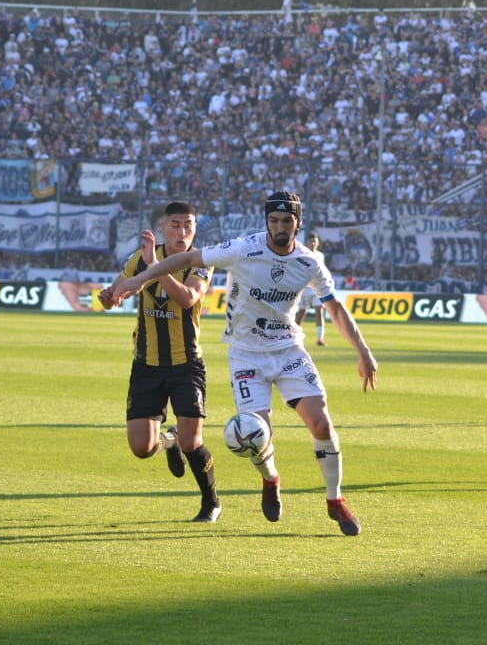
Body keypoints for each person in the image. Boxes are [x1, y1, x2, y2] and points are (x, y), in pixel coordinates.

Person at [110, 191, 378, 536]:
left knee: (321, 423)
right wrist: (138, 278)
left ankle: (335, 500)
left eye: (287, 221)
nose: (280, 227)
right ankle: (271, 479)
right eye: (274, 220)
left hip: (289, 350)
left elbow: (335, 308)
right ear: (267, 222)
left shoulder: (309, 262)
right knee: (256, 433)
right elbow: (188, 258)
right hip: (246, 354)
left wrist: (363, 351)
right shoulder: (243, 249)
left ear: (297, 223)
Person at [98, 202, 221, 522]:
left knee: (193, 440)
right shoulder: (138, 258)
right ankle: (170, 441)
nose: (183, 231)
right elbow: (117, 293)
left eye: (189, 225)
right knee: (141, 447)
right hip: (147, 364)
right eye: (176, 225)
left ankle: (211, 503)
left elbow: (187, 298)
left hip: (186, 364)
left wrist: (155, 266)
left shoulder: (201, 261)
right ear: (163, 227)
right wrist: (109, 297)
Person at [294, 231, 327, 346]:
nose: (313, 243)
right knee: (301, 313)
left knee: (319, 311)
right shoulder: (302, 254)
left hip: (317, 289)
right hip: (305, 289)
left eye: (315, 242)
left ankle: (320, 339)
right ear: (307, 243)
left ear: (318, 243)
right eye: (311, 241)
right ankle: (293, 336)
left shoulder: (321, 256)